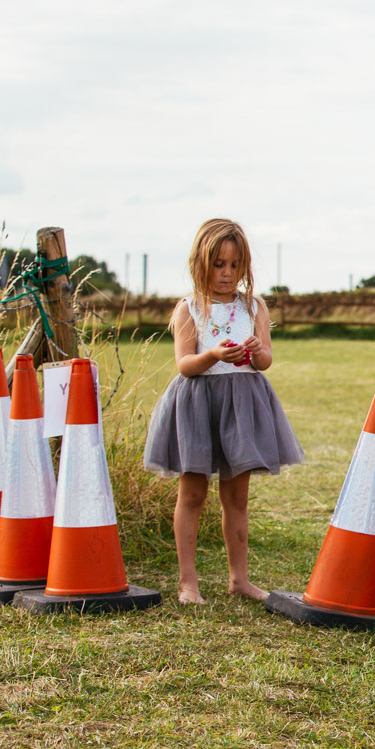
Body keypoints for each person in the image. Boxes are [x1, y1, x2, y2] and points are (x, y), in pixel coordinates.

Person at [143, 218, 304, 605]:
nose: (227, 273)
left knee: (237, 498)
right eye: (219, 264)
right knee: (193, 494)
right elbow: (185, 364)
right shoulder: (190, 308)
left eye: (234, 265)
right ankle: (188, 583)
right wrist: (213, 354)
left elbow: (265, 360)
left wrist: (256, 351)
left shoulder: (254, 306)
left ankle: (239, 580)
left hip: (242, 408)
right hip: (199, 405)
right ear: (202, 263)